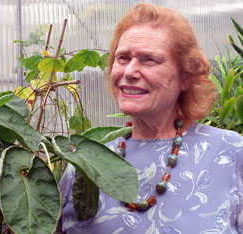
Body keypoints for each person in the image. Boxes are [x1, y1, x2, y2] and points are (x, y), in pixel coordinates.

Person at [58, 3, 243, 233]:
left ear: (186, 76)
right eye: (123, 58)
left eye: (149, 60)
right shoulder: (86, 161)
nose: (129, 72)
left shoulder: (231, 153)